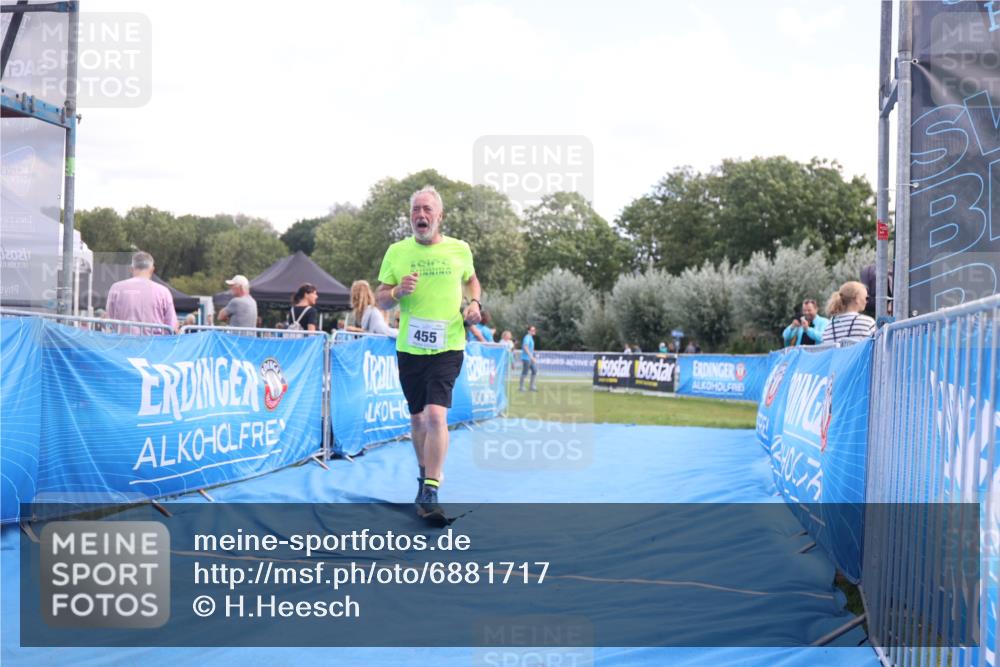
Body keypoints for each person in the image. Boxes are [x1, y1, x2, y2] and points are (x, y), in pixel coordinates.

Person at [375, 185, 481, 520]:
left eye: (427, 210)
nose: (421, 215)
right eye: (415, 210)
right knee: (418, 418)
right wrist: (396, 290)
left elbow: (472, 281)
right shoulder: (397, 251)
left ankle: (432, 486)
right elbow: (380, 299)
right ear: (411, 217)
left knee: (436, 415)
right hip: (410, 347)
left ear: (439, 216)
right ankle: (424, 476)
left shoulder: (459, 249)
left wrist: (475, 303)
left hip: (448, 344)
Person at [105, 251, 179, 335]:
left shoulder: (116, 288)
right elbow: (172, 326)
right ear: (152, 269)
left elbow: (109, 319)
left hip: (123, 344)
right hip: (154, 344)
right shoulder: (164, 292)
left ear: (131, 269)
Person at [520, 325, 538, 392]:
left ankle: (532, 387)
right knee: (525, 372)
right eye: (532, 330)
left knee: (534, 370)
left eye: (534, 330)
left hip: (530, 358)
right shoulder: (527, 337)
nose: (534, 331)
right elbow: (525, 347)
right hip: (526, 358)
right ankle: (521, 387)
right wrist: (531, 357)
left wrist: (532, 357)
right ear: (528, 331)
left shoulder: (530, 337)